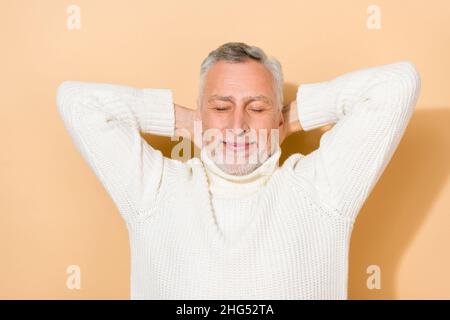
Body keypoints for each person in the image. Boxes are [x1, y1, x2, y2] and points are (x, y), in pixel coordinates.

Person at [56, 42, 421, 299]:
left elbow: (398, 83)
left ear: (277, 114)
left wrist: (290, 119)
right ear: (202, 111)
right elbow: (77, 101)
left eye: (257, 108)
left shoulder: (321, 189)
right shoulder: (154, 189)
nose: (237, 124)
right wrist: (188, 121)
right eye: (221, 106)